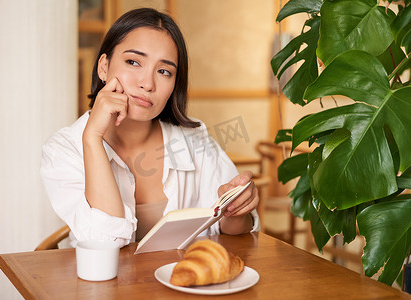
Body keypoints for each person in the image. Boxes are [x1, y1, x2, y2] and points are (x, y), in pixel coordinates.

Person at [40, 8, 260, 248]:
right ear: (104, 67)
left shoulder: (195, 139)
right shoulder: (63, 149)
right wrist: (92, 138)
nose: (147, 83)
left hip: (180, 283)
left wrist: (236, 210)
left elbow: (234, 234)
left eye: (164, 71)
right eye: (133, 62)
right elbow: (103, 243)